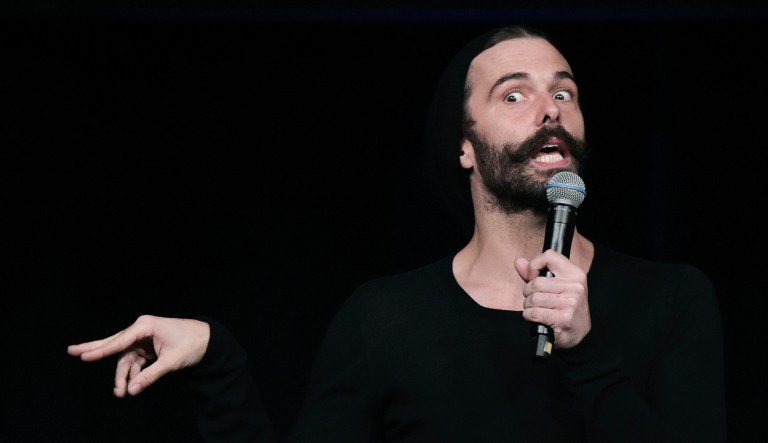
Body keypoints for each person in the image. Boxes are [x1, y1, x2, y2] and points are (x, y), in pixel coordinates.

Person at [68, 24, 726, 442]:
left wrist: (584, 354)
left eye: (565, 91)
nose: (551, 107)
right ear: (464, 147)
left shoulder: (671, 299)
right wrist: (217, 359)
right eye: (514, 95)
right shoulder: (384, 318)